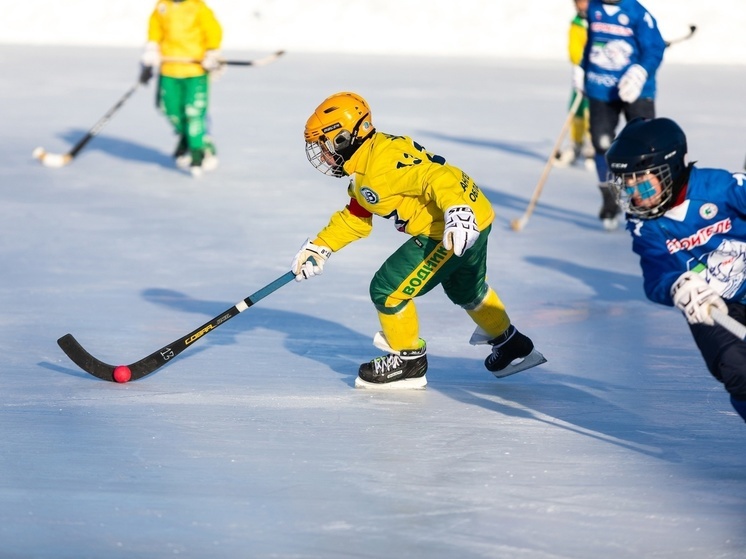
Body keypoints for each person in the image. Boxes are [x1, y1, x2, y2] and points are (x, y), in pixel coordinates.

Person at [292, 92, 546, 389]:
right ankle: (512, 343)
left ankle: (409, 361)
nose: (322, 156)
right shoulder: (370, 160)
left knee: (387, 289)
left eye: (323, 146)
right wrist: (321, 246)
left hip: (450, 228)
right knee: (467, 290)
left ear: (343, 138)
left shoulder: (381, 167)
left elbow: (434, 176)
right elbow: (357, 217)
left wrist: (456, 209)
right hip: (477, 216)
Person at [606, 116, 746, 424]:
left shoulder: (720, 187)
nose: (635, 193)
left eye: (642, 180)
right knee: (737, 370)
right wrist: (678, 285)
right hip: (711, 306)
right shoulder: (645, 224)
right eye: (627, 184)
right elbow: (655, 274)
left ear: (669, 169)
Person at [574, 0, 666, 230]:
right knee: (601, 143)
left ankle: (649, 202)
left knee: (644, 149)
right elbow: (593, 42)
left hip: (635, 90)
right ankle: (610, 199)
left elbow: (655, 48)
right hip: (600, 89)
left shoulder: (636, 12)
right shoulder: (593, 8)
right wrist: (582, 69)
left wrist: (640, 71)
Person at [139, 0, 223, 178]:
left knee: (193, 112)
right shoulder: (162, 6)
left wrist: (212, 52)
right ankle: (189, 140)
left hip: (195, 71)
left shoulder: (198, 7)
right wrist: (151, 50)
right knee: (170, 110)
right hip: (169, 68)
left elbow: (213, 31)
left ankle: (198, 150)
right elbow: (155, 30)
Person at [554, 0, 594, 170]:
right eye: (578, 2)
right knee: (576, 109)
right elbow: (574, 51)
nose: (581, 5)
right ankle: (576, 145)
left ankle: (592, 149)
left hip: (595, 75)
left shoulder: (598, 20)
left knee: (591, 112)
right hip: (580, 74)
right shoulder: (576, 24)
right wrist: (579, 65)